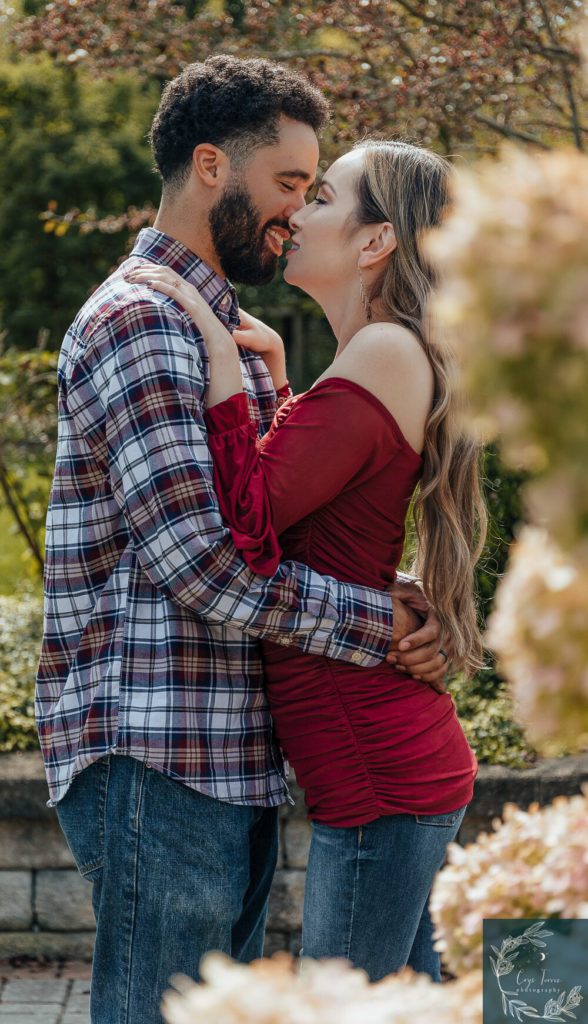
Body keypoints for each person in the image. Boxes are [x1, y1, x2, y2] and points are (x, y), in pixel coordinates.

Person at [37, 57, 448, 1024]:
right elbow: (203, 562)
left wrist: (399, 592)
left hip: (227, 751)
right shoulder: (145, 321)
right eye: (289, 183)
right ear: (214, 167)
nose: (296, 213)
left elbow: (283, 525)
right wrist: (375, 622)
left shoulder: (223, 331)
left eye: (315, 191)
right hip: (159, 750)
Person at [126, 137, 488, 984]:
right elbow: (328, 523)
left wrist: (222, 371)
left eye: (322, 197)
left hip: (376, 774)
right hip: (390, 769)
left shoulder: (386, 351)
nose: (296, 213)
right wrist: (283, 387)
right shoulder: (377, 355)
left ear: (375, 242)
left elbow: (244, 529)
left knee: (343, 1007)